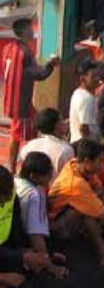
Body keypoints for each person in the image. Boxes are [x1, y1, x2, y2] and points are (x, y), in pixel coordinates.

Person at [48, 139, 104, 268]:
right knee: (87, 216)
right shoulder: (75, 183)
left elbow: (99, 190)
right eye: (100, 161)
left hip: (68, 213)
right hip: (55, 226)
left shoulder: (76, 165)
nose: (102, 166)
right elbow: (100, 211)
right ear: (87, 161)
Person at [2, 18, 60, 173]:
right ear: (24, 32)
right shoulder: (25, 52)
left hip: (11, 99)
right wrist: (51, 64)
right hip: (22, 103)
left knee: (16, 132)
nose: (33, 31)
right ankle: (23, 169)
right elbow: (39, 74)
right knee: (27, 136)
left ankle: (12, 166)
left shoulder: (8, 47)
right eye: (30, 29)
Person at [14, 152, 67, 278]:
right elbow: (34, 234)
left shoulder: (14, 180)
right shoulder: (34, 194)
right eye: (47, 175)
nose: (50, 177)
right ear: (33, 176)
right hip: (22, 241)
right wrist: (51, 267)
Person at [0, 165, 50, 281]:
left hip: (5, 247)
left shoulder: (11, 195)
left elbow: (15, 226)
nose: (8, 199)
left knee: (25, 270)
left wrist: (25, 250)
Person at [19, 108, 74, 179]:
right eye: (61, 121)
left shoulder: (29, 145)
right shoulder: (66, 150)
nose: (65, 123)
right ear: (57, 125)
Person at [69, 59, 101, 144]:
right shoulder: (86, 98)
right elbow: (84, 127)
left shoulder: (78, 93)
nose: (97, 79)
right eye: (93, 76)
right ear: (82, 79)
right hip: (84, 145)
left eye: (98, 75)